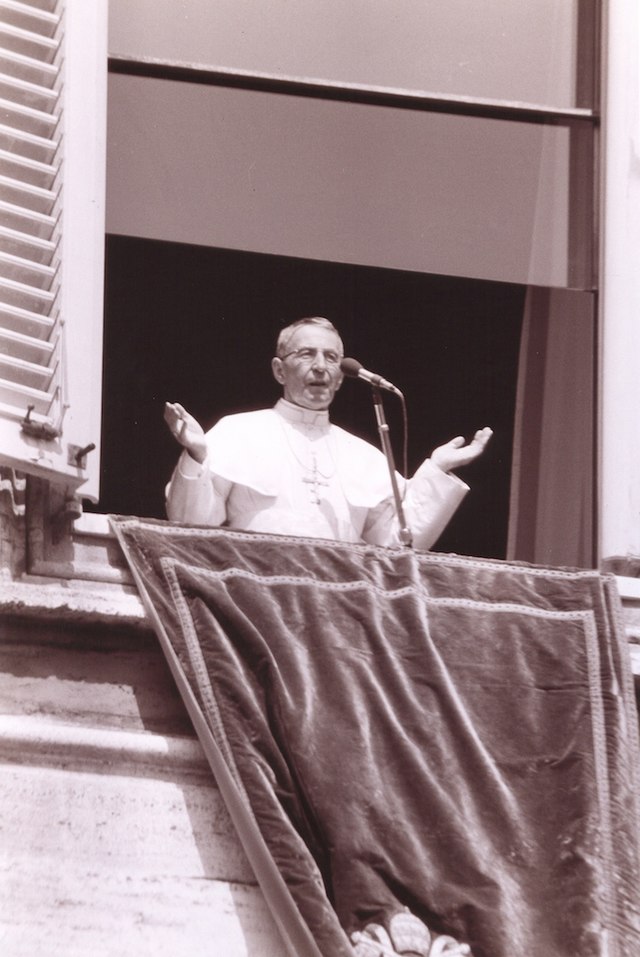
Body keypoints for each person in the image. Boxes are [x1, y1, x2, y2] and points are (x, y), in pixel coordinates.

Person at [164, 317, 492, 549]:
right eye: (307, 354)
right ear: (279, 370)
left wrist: (437, 470)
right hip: (255, 600)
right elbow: (191, 524)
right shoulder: (238, 431)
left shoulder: (364, 456)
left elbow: (400, 543)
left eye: (331, 358)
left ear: (338, 378)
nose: (320, 365)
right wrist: (195, 456)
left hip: (336, 610)